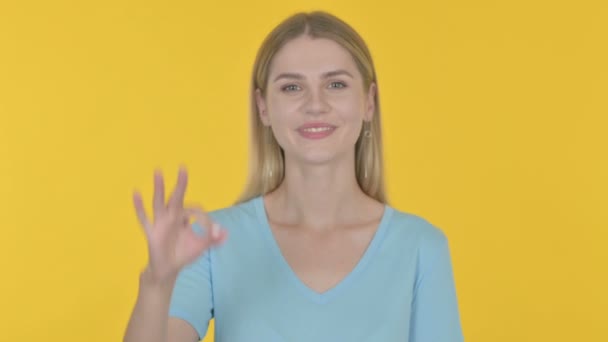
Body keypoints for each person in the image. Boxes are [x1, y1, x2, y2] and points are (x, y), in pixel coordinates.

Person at [124, 11, 463, 342]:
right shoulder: (210, 242)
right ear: (263, 107)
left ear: (369, 102)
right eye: (291, 88)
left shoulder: (420, 247)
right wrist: (157, 282)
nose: (315, 104)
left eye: (335, 84)